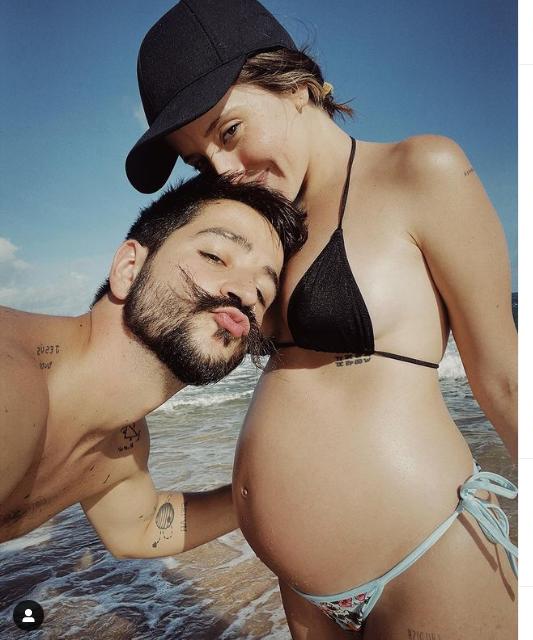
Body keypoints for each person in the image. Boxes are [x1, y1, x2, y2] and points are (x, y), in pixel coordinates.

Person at [127, 1, 517, 637]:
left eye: (229, 131)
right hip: (304, 594)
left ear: (296, 84)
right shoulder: (262, 237)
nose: (222, 171)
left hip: (426, 563)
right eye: (199, 162)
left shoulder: (421, 171)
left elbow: (504, 379)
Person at [0, 174, 306, 560]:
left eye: (263, 292)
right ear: (129, 268)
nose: (246, 293)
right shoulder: (12, 383)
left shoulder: (122, 443)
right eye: (215, 257)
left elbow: (140, 530)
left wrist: (262, 492)